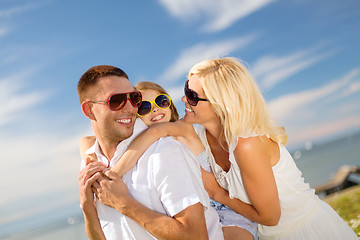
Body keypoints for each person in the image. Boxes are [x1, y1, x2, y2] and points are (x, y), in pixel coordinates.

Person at [86, 57, 358, 240]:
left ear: (221, 103)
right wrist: (109, 178)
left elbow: (271, 218)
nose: (183, 100)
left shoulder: (247, 144)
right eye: (185, 90)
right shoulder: (201, 135)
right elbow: (152, 132)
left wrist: (218, 193)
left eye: (192, 96)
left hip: (304, 232)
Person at [81, 81, 257, 240]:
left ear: (170, 105)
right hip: (199, 209)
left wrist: (110, 176)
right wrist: (88, 156)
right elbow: (87, 141)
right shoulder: (148, 145)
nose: (156, 109)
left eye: (161, 102)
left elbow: (154, 133)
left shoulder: (181, 128)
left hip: (224, 207)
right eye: (144, 107)